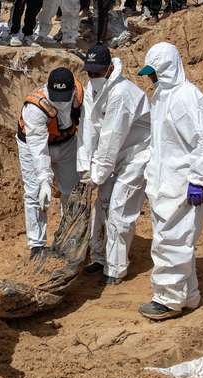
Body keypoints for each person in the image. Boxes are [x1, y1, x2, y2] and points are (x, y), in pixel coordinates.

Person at [136, 42, 203, 320]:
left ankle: (168, 300)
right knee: (176, 241)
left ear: (168, 69)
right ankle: (189, 295)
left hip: (185, 186)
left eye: (155, 73)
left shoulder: (187, 98)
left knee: (171, 243)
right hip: (166, 185)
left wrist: (198, 180)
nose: (151, 78)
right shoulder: (162, 96)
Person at [77, 45, 151, 285]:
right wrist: (85, 168)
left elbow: (111, 138)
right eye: (90, 73)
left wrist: (97, 175)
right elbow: (88, 130)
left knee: (119, 209)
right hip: (112, 157)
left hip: (135, 157)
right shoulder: (92, 88)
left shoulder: (121, 94)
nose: (93, 77)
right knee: (102, 205)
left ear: (109, 69)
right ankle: (99, 258)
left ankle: (116, 268)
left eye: (98, 73)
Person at [16, 68, 84, 261]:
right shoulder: (35, 108)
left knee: (71, 191)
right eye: (56, 96)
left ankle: (69, 238)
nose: (60, 101)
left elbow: (89, 127)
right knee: (34, 193)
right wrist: (45, 180)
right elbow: (38, 148)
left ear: (72, 91)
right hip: (32, 145)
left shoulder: (81, 96)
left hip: (67, 143)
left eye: (64, 96)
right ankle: (37, 246)